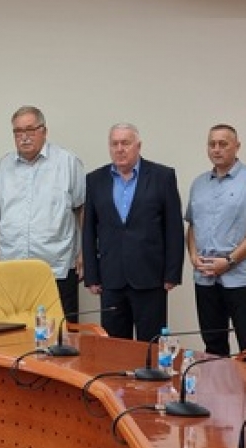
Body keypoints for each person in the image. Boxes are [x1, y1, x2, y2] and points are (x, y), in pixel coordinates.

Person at [82, 122, 184, 342]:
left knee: (151, 346)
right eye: (114, 144)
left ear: (138, 146)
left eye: (125, 143)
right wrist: (92, 275)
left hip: (151, 277)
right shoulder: (95, 180)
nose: (120, 149)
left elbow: (174, 228)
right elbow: (88, 230)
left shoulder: (162, 176)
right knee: (115, 347)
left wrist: (172, 274)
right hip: (111, 278)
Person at [0, 106, 85, 322]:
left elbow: (82, 208)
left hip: (56, 265)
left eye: (30, 130)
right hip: (12, 265)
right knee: (15, 330)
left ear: (44, 131)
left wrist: (84, 253)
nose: (24, 137)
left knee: (60, 333)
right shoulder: (4, 166)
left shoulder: (67, 162)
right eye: (18, 132)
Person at [185, 124, 246, 359]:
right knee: (213, 348)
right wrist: (192, 256)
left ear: (237, 146)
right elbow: (192, 226)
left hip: (241, 277)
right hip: (205, 277)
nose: (217, 149)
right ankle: (218, 386)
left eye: (223, 144)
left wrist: (230, 261)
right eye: (212, 144)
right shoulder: (199, 183)